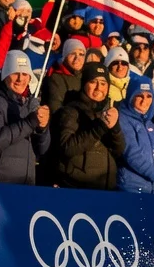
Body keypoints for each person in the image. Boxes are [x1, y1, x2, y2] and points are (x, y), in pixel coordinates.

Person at [0, 51, 50, 185]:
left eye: (25, 74)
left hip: (25, 185)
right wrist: (29, 123)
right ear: (5, 75)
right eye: (15, 73)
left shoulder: (31, 104)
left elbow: (42, 150)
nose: (20, 79)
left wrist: (43, 129)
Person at [50, 62, 126, 190]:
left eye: (103, 83)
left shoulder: (106, 112)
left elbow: (118, 150)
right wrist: (100, 127)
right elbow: (67, 147)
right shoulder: (70, 111)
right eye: (93, 82)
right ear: (84, 84)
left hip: (105, 188)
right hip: (77, 188)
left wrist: (115, 128)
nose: (98, 88)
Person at [117, 74, 154, 194]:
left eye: (149, 96)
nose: (144, 101)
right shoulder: (122, 119)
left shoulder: (150, 124)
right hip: (131, 187)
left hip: (150, 188)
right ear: (131, 96)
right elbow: (132, 154)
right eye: (139, 95)